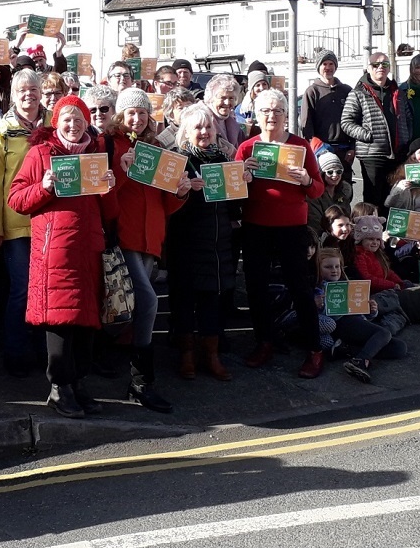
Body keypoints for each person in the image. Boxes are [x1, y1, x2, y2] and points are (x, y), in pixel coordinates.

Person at [7, 96, 118, 418]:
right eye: (67, 119)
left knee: (86, 321)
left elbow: (110, 213)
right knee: (60, 319)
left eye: (79, 119)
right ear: (56, 122)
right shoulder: (40, 153)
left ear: (87, 123)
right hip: (54, 248)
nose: (73, 125)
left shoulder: (96, 156)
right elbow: (16, 199)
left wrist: (109, 188)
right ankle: (59, 388)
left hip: (88, 249)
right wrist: (43, 186)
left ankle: (78, 383)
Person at [236, 89, 327, 377]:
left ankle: (314, 349)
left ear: (286, 115)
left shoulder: (300, 146)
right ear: (256, 115)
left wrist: (305, 179)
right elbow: (234, 192)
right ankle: (265, 341)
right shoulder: (248, 147)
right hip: (256, 225)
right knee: (256, 288)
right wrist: (243, 177)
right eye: (265, 111)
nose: (271, 116)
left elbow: (318, 188)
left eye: (277, 111)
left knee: (300, 288)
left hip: (291, 226)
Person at [110, 88, 189, 411]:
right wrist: (123, 172)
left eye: (143, 113)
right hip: (125, 236)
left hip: (151, 239)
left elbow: (164, 202)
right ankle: (142, 382)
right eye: (131, 112)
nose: (137, 118)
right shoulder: (111, 146)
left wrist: (181, 192)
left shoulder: (156, 148)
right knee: (147, 300)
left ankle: (134, 375)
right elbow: (106, 192)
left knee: (136, 305)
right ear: (120, 115)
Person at [166, 104, 239, 381]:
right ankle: (186, 355)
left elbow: (235, 208)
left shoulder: (223, 159)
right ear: (186, 131)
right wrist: (184, 191)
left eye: (208, 127)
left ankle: (211, 355)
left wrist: (243, 181)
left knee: (212, 300)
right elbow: (167, 205)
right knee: (184, 298)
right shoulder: (178, 161)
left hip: (217, 243)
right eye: (197, 127)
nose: (204, 132)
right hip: (185, 242)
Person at [0, 69, 47, 377]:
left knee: (45, 289)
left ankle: (44, 350)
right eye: (22, 89)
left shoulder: (52, 125)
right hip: (15, 222)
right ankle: (15, 352)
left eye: (33, 89)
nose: (28, 94)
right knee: (21, 289)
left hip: (48, 220)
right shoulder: (2, 129)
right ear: (13, 95)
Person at [313, 247, 401, 385]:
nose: (334, 270)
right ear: (318, 268)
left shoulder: (348, 285)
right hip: (342, 323)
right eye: (328, 267)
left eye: (337, 266)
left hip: (356, 322)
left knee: (399, 348)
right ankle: (359, 361)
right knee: (383, 333)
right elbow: (321, 318)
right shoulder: (319, 290)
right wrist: (318, 305)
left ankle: (344, 350)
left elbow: (362, 313)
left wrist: (372, 310)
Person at [342, 51, 405, 208]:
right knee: (373, 199)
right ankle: (371, 231)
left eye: (384, 64)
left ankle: (388, 232)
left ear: (389, 68)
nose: (380, 67)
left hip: (396, 153)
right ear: (368, 68)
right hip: (372, 154)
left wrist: (406, 137)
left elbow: (407, 118)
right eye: (376, 64)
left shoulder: (397, 92)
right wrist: (367, 135)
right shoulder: (358, 93)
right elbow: (346, 122)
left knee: (394, 197)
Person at [301, 51, 354, 166]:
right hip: (322, 150)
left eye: (331, 64)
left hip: (344, 149)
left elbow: (356, 119)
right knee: (324, 183)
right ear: (319, 67)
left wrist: (353, 147)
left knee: (345, 183)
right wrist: (315, 147)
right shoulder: (312, 91)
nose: (328, 67)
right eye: (324, 64)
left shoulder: (347, 90)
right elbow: (307, 123)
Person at [351, 215, 406, 293]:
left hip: (385, 288)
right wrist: (391, 285)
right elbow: (367, 278)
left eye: (378, 239)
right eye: (370, 239)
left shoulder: (377, 254)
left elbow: (387, 271)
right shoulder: (359, 255)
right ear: (361, 240)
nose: (375, 242)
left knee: (408, 284)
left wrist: (399, 282)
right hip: (374, 293)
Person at [307, 149, 353, 238]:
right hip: (322, 237)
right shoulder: (314, 195)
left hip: (343, 235)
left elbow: (347, 217)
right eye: (330, 172)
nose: (335, 175)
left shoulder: (345, 191)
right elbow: (315, 223)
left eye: (339, 171)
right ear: (322, 173)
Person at [204, 74, 244, 149]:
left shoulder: (232, 120)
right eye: (222, 98)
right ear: (210, 98)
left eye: (231, 98)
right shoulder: (201, 119)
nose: (227, 102)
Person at [235, 65, 272, 134]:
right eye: (257, 85)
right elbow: (237, 124)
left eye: (264, 84)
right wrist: (245, 123)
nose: (261, 88)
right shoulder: (242, 108)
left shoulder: (274, 104)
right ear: (252, 89)